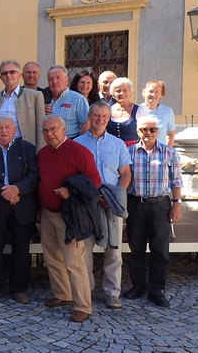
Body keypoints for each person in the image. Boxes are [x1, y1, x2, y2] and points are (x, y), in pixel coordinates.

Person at [38, 115, 101, 322]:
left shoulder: (79, 152)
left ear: (64, 129)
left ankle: (83, 305)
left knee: (74, 261)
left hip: (69, 215)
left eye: (54, 129)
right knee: (52, 257)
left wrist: (70, 191)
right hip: (48, 213)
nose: (50, 134)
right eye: (46, 131)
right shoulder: (43, 153)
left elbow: (94, 183)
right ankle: (62, 294)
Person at [75, 102, 132, 309]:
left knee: (113, 250)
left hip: (111, 203)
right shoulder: (78, 144)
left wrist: (113, 196)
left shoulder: (118, 144)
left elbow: (125, 174)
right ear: (90, 116)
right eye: (96, 115)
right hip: (86, 204)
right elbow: (74, 175)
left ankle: (111, 293)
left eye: (104, 116)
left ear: (109, 118)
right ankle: (86, 289)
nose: (100, 119)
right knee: (84, 249)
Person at [0, 116, 39, 304]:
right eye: (0, 128)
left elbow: (34, 174)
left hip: (21, 204)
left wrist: (17, 189)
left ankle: (19, 288)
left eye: (7, 127)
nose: (4, 130)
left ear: (15, 130)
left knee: (21, 248)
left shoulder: (27, 148)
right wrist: (5, 190)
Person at [123, 115, 182, 308]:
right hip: (136, 204)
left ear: (158, 131)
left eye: (152, 130)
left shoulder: (169, 153)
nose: (148, 133)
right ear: (137, 131)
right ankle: (138, 287)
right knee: (136, 248)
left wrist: (177, 204)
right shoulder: (129, 152)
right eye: (144, 130)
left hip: (160, 206)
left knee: (160, 250)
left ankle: (157, 291)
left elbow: (176, 181)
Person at [0, 60, 45, 149]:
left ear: (19, 75)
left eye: (12, 72)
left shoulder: (35, 96)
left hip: (24, 146)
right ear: (1, 77)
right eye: (4, 73)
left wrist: (39, 151)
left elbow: (41, 127)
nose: (8, 75)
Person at [45, 65, 89, 139]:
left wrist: (78, 143)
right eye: (51, 79)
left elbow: (86, 124)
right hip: (49, 142)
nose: (54, 81)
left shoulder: (77, 99)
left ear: (66, 80)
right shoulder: (43, 98)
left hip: (71, 142)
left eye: (58, 78)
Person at [136, 80, 176, 147]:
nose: (153, 94)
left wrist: (167, 152)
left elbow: (171, 135)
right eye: (151, 91)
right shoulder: (136, 109)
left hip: (159, 154)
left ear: (161, 95)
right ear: (144, 92)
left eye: (157, 92)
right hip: (138, 153)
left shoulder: (167, 112)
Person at [107, 77, 140, 146]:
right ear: (113, 93)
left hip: (132, 151)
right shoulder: (107, 110)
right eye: (118, 91)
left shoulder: (139, 110)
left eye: (125, 90)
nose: (121, 93)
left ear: (130, 92)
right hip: (112, 150)